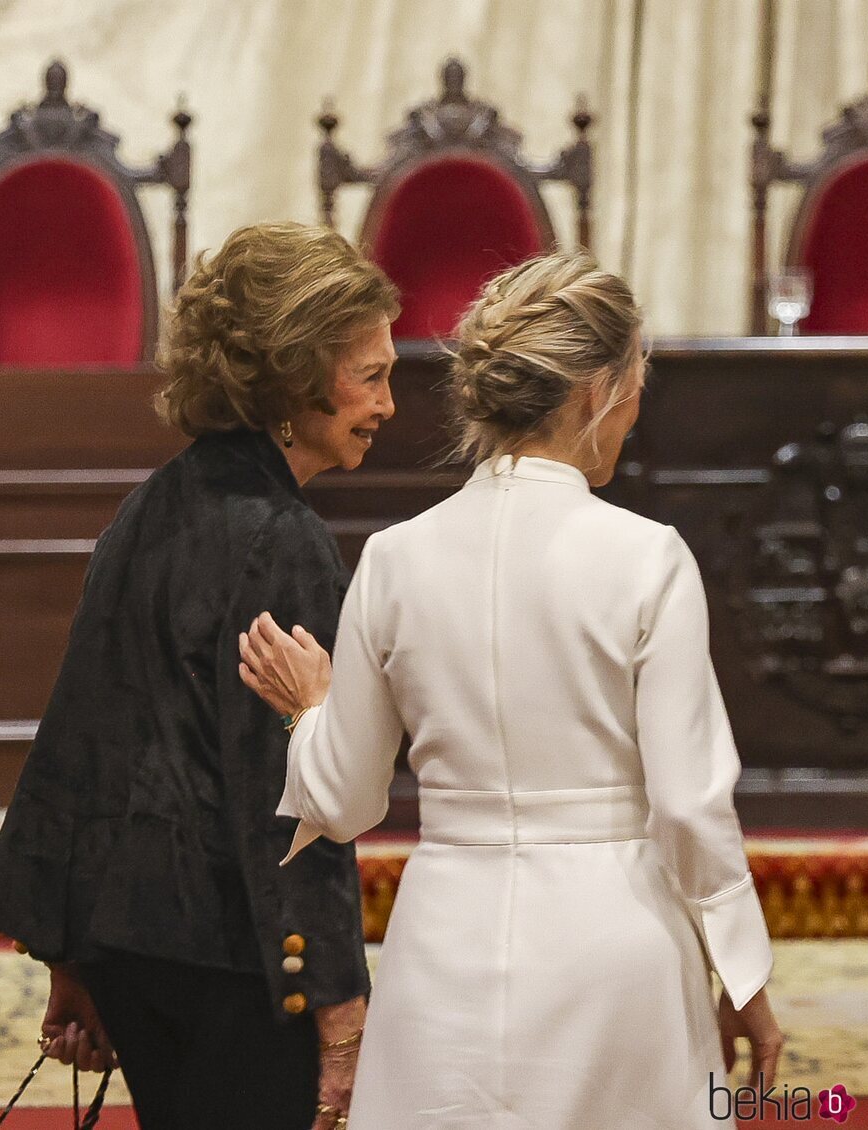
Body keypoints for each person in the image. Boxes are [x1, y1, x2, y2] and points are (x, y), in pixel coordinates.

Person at [239, 250, 784, 1129]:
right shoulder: (648, 558)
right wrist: (744, 969)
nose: (637, 411)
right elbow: (687, 805)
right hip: (617, 943)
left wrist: (309, 712)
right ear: (590, 392)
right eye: (636, 383)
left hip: (445, 939)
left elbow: (340, 799)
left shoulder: (393, 557)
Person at [0, 222, 400, 1130]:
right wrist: (338, 1005)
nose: (390, 404)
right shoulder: (286, 543)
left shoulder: (152, 502)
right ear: (295, 380)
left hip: (131, 949)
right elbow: (287, 798)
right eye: (371, 376)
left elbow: (79, 738)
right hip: (235, 964)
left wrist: (73, 959)